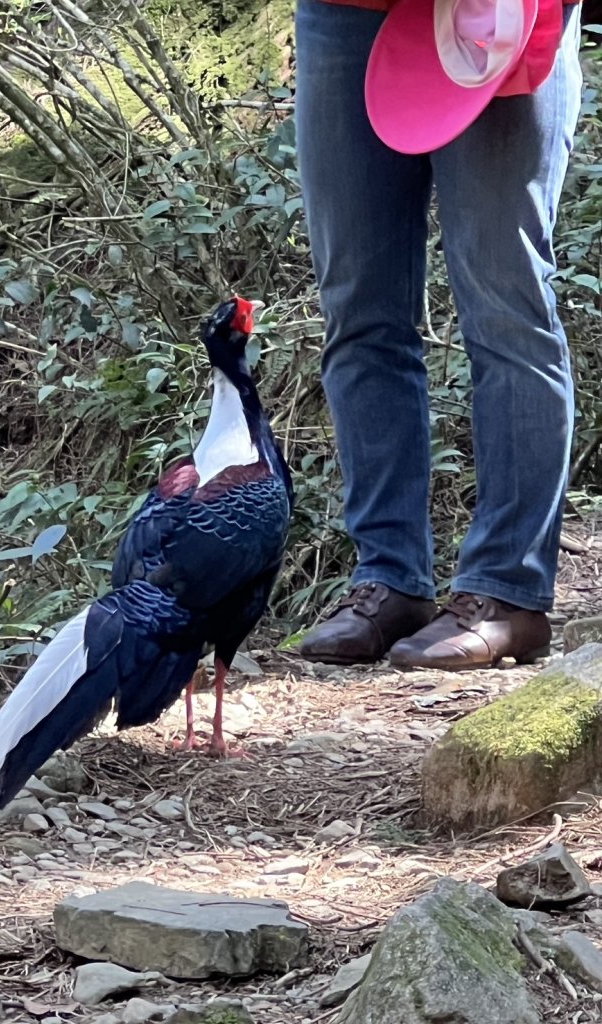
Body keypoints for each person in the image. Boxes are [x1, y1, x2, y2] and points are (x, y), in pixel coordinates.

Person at [295, 0, 583, 670]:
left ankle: (506, 591)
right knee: (359, 312)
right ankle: (389, 579)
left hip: (501, 12)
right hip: (346, 16)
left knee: (506, 308)